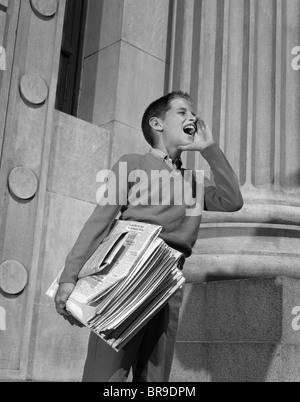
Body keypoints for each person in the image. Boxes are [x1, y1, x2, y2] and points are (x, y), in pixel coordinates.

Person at [54, 91, 244, 382]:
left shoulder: (195, 181)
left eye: (192, 113)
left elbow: (232, 201)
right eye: (182, 112)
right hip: (124, 279)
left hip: (169, 285)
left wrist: (210, 149)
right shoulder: (132, 164)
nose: (192, 117)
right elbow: (99, 222)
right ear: (157, 124)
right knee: (106, 375)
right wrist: (69, 277)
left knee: (155, 379)